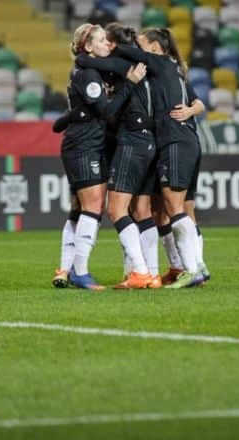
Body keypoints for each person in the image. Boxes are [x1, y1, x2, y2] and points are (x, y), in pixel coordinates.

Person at [54, 23, 146, 290]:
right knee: (92, 207)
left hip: (89, 144)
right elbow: (106, 111)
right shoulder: (89, 74)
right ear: (89, 47)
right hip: (84, 146)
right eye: (102, 40)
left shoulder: (91, 69)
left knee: (84, 209)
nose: (108, 43)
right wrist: (129, 85)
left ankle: (69, 268)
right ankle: (79, 272)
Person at [113, 28, 207, 288]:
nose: (138, 49)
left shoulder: (160, 62)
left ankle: (194, 268)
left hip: (175, 141)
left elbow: (123, 50)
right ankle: (190, 267)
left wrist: (109, 42)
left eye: (141, 45)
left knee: (174, 208)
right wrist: (191, 110)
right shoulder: (172, 70)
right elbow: (200, 103)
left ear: (154, 48)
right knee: (178, 209)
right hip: (185, 140)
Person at [73, 23, 160, 289]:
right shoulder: (147, 68)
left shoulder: (122, 67)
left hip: (132, 142)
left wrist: (81, 56)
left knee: (116, 209)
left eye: (105, 41)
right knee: (141, 211)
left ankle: (141, 272)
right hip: (150, 142)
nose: (105, 46)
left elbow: (107, 110)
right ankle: (151, 273)